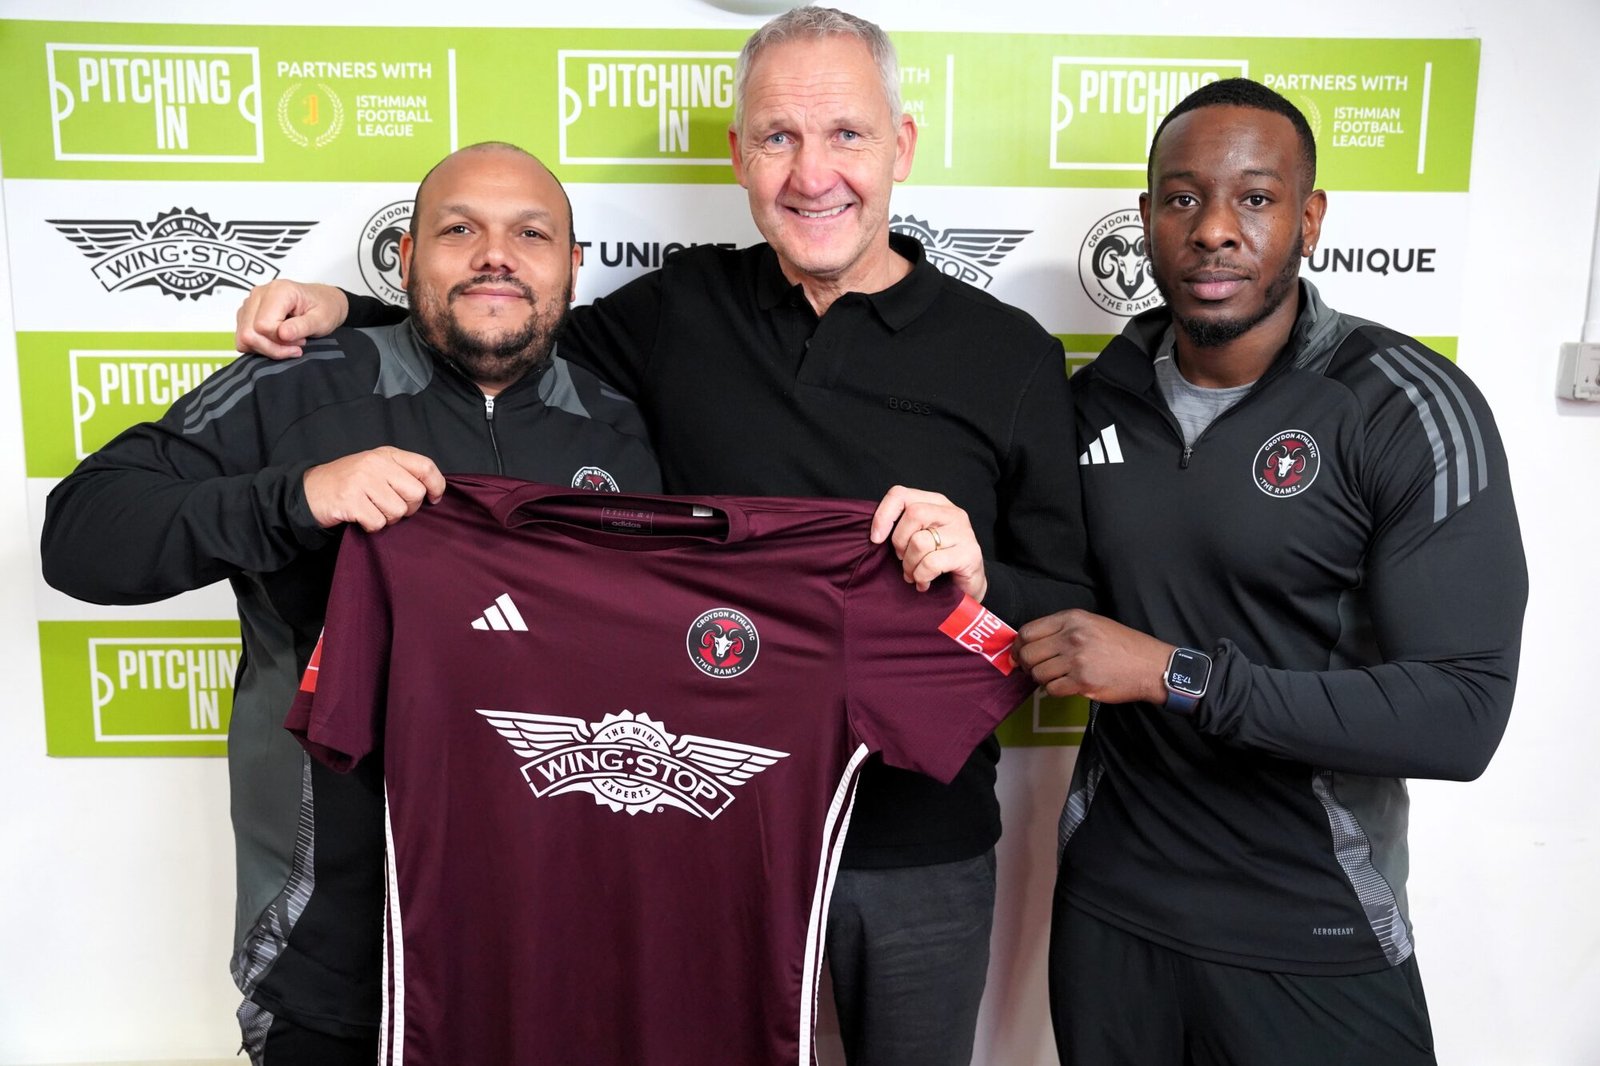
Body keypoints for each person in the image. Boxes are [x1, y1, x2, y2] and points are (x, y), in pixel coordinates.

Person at [234, 7, 1092, 1064]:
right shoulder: (674, 313)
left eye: (845, 136)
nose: (811, 173)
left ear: (901, 146)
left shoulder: (1009, 356)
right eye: (777, 137)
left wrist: (975, 574)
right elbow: (506, 323)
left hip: (914, 857)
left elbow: (1068, 623)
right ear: (737, 156)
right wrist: (349, 305)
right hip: (697, 842)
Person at [41, 143, 660, 1064]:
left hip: (550, 957)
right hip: (330, 963)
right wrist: (296, 498)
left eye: (531, 233)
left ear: (573, 267)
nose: (496, 254)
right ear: (406, 259)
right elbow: (84, 536)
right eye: (460, 230)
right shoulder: (298, 384)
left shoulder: (620, 427)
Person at [1013, 78, 1527, 1066]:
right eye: (1180, 198)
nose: (1213, 229)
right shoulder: (1091, 400)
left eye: (1253, 197)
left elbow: (1459, 716)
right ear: (1148, 219)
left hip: (1309, 924)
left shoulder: (1400, 404)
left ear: (1309, 217)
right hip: (1112, 916)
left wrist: (1176, 673)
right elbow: (1017, 587)